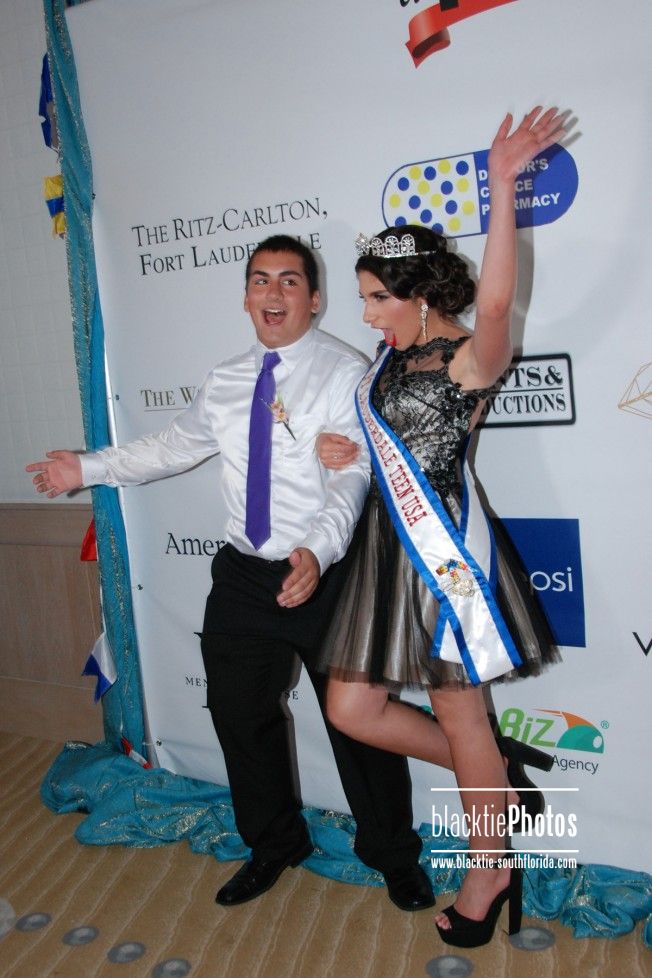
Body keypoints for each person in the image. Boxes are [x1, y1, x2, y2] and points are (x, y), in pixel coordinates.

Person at [26, 234, 434, 911]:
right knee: (240, 715)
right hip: (245, 575)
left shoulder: (345, 371)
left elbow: (352, 476)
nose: (273, 292)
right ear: (246, 297)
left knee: (359, 726)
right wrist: (87, 467)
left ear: (314, 300)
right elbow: (173, 447)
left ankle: (393, 855)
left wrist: (318, 552)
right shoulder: (226, 380)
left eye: (290, 281)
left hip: (330, 573)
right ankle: (274, 843)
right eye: (260, 280)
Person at [316, 108, 565, 948]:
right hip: (388, 553)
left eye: (377, 299)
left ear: (420, 296)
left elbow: (494, 301)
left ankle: (489, 868)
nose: (366, 315)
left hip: (448, 556)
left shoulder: (471, 357)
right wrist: (347, 447)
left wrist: (501, 185)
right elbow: (394, 443)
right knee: (353, 708)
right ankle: (494, 776)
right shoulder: (390, 359)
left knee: (462, 717)